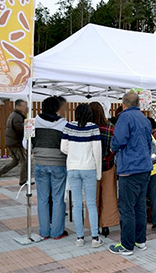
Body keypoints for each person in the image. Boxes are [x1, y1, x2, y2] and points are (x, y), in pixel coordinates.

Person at [109, 92, 153, 255]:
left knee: (127, 208)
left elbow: (118, 140)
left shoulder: (125, 117)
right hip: (145, 167)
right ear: (138, 103)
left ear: (123, 104)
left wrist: (112, 147)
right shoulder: (144, 119)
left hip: (130, 168)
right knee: (140, 205)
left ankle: (127, 245)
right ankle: (140, 240)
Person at [24, 97, 68, 240]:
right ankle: (56, 232)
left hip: (40, 163)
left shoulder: (33, 122)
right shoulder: (64, 124)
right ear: (57, 108)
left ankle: (44, 232)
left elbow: (26, 144)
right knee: (58, 199)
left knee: (42, 199)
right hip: (59, 165)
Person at [61, 104, 104, 248]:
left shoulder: (68, 126)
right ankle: (95, 238)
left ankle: (80, 238)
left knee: (76, 204)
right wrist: (98, 172)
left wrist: (74, 153)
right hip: (89, 168)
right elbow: (97, 152)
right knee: (91, 203)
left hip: (73, 168)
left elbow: (63, 147)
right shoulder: (93, 128)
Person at [89, 102, 119, 237]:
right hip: (108, 165)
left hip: (91, 168)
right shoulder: (110, 127)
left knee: (93, 198)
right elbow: (115, 146)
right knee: (109, 197)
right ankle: (106, 225)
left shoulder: (87, 128)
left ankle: (94, 225)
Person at [0, 99, 28, 186]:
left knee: (15, 161)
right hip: (16, 143)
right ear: (18, 106)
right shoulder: (17, 116)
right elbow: (20, 130)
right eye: (23, 105)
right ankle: (23, 181)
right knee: (24, 161)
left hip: (11, 142)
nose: (25, 107)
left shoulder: (14, 115)